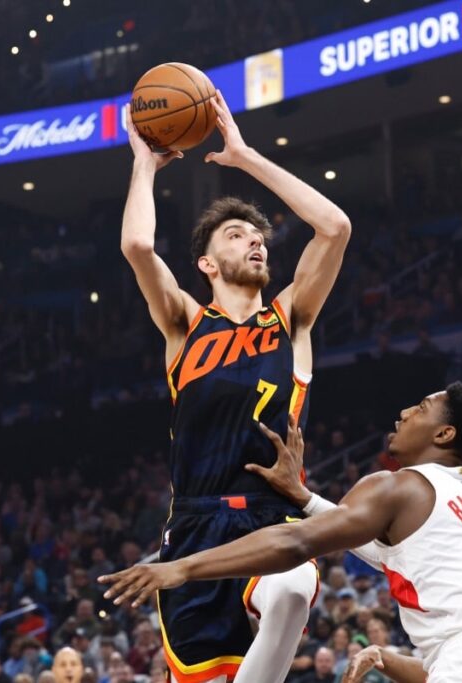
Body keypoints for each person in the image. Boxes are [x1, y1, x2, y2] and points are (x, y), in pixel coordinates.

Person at [100, 383, 462, 682]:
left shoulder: (398, 485)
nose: (404, 411)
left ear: (444, 435)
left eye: (422, 407)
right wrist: (303, 497)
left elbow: (295, 543)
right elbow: (390, 555)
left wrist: (183, 567)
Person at [119, 89, 350, 683]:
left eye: (259, 236)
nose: (255, 240)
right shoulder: (185, 325)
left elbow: (334, 227)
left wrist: (244, 156)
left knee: (295, 586)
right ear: (206, 263)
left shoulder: (289, 319)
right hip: (194, 526)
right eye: (237, 235)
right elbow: (137, 246)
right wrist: (143, 165)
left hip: (273, 516)